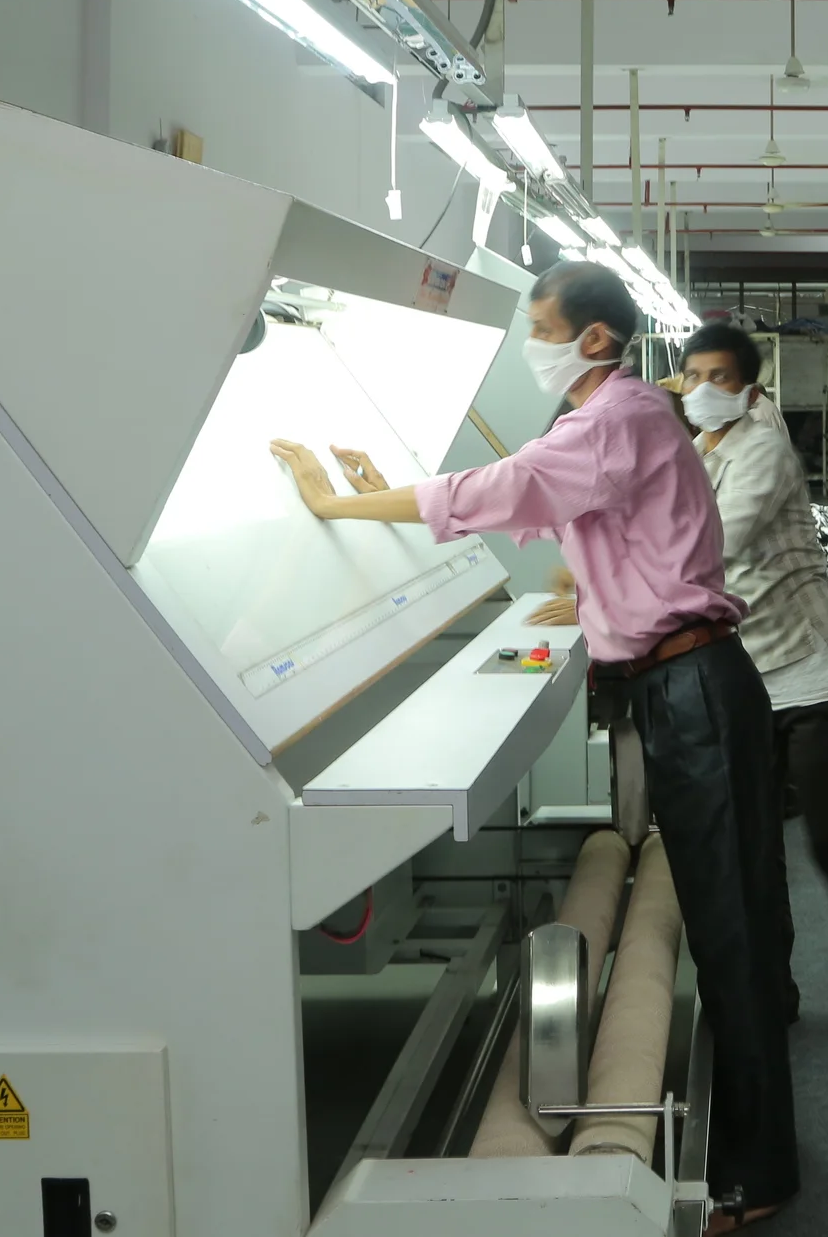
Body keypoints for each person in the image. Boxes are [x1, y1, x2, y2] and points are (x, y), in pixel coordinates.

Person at [268, 263, 796, 1233]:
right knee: (733, 918)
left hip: (696, 693)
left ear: (593, 339)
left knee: (731, 930)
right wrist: (585, 592)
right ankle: (757, 1153)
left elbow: (505, 488)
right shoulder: (620, 415)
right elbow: (585, 518)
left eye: (541, 326)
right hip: (685, 683)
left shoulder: (614, 417)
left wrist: (343, 504)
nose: (532, 342)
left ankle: (753, 1174)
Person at [681, 326, 828, 1027]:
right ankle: (775, 988)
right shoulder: (695, 455)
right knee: (758, 846)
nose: (705, 390)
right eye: (694, 375)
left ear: (750, 389)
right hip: (743, 676)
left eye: (722, 377)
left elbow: (710, 542)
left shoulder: (763, 448)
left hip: (809, 670)